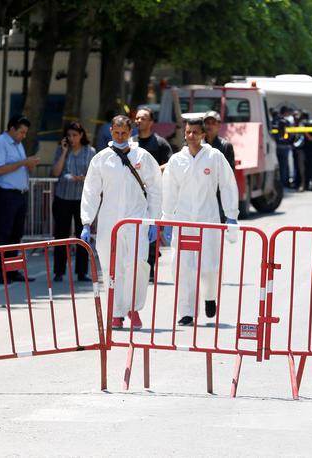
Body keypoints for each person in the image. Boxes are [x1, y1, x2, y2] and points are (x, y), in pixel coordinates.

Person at [80, 115, 162, 330]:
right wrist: (87, 222)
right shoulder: (101, 159)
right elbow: (91, 191)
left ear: (131, 132)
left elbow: (155, 188)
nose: (119, 136)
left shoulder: (142, 156)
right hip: (109, 222)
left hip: (137, 220)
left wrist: (155, 220)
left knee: (137, 264)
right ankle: (116, 313)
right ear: (110, 131)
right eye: (116, 132)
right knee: (111, 268)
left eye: (124, 133)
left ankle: (133, 308)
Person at [162, 118, 238, 326]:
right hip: (184, 220)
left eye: (196, 132)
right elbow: (169, 191)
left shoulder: (214, 157)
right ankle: (186, 311)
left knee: (209, 265)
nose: (191, 136)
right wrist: (167, 219)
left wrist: (231, 214)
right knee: (182, 266)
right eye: (188, 132)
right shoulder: (177, 160)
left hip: (209, 219)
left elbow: (228, 184)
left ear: (203, 135)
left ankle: (210, 297)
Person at [0, 115, 41, 283]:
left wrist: (29, 164)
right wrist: (24, 162)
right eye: (21, 132)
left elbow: (21, 166)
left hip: (20, 193)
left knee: (16, 235)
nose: (23, 136)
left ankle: (12, 271)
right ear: (12, 129)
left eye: (25, 133)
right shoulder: (1, 143)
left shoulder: (18, 145)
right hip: (6, 194)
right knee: (3, 234)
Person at [50, 122, 95, 282]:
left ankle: (82, 272)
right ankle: (59, 271)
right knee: (61, 235)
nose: (71, 138)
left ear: (81, 135)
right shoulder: (62, 150)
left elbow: (94, 174)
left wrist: (83, 178)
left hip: (82, 199)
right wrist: (63, 152)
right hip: (63, 197)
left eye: (74, 135)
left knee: (82, 235)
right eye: (69, 135)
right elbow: (55, 172)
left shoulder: (90, 152)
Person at [132, 107, 173, 281]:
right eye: (137, 118)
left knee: (151, 229)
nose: (139, 121)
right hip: (133, 194)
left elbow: (171, 163)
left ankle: (149, 268)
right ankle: (134, 267)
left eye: (143, 118)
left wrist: (152, 173)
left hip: (153, 194)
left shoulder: (160, 143)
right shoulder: (130, 142)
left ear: (151, 122)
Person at [203, 110, 237, 221]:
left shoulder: (225, 146)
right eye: (207, 123)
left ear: (218, 125)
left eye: (212, 123)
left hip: (218, 195)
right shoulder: (198, 145)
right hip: (201, 193)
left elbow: (229, 175)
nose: (209, 126)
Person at [275, 106, 293, 188]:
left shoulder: (274, 120)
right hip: (284, 146)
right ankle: (284, 183)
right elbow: (290, 135)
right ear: (285, 112)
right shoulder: (286, 122)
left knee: (277, 167)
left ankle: (279, 183)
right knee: (284, 166)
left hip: (275, 146)